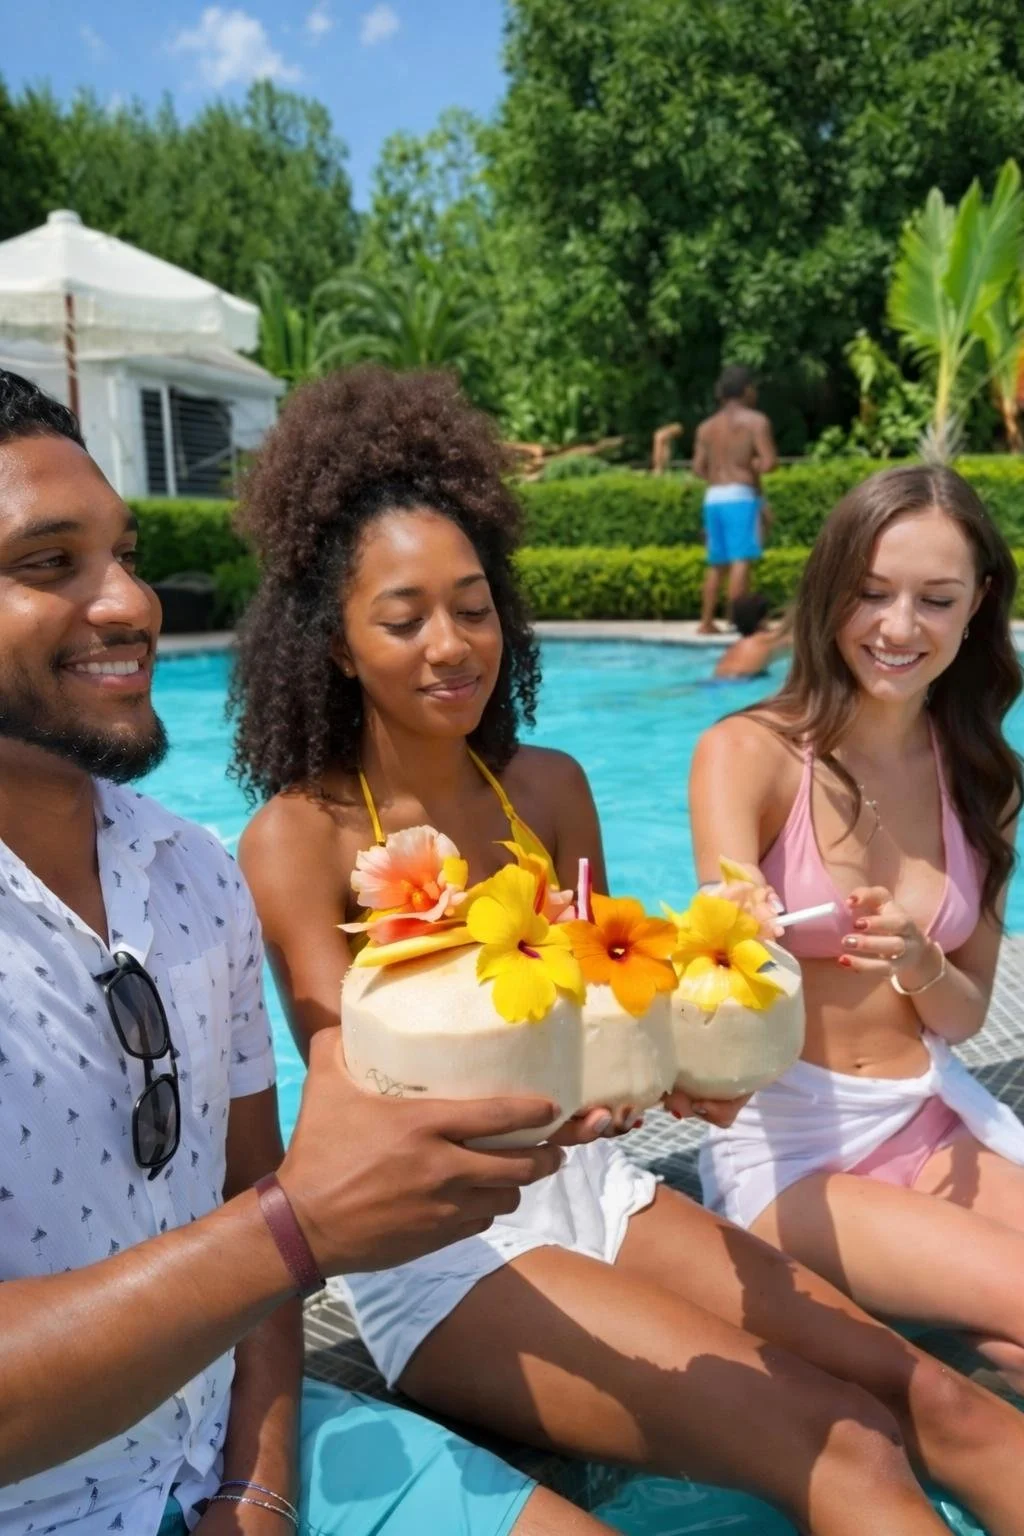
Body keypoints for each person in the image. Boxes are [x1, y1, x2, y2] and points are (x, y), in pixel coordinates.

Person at [235, 364, 1024, 1536]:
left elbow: (618, 1021)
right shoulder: (297, 839)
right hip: (442, 1247)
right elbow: (359, 1103)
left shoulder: (547, 790)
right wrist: (575, 1106)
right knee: (843, 1446)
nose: (452, 645)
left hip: (593, 1190)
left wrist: (687, 1066)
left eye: (475, 606)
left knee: (944, 1408)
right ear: (338, 644)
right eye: (404, 619)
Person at [0, 368, 607, 1536]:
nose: (130, 602)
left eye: (121, 555)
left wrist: (260, 1486)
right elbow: (281, 1221)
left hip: (243, 1444)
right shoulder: (289, 841)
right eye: (48, 565)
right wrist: (298, 1226)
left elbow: (246, 1203)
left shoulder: (188, 875)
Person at [690, 465, 1024, 1404]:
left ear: (978, 605)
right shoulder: (747, 753)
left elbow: (963, 1018)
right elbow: (721, 960)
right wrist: (741, 926)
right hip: (791, 1150)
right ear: (832, 590)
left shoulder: (986, 782)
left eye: (935, 599)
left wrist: (922, 961)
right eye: (872, 593)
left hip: (928, 1116)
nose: (898, 627)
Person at [692, 366, 778, 634]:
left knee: (716, 562)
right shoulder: (756, 422)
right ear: (746, 390)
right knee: (741, 559)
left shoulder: (706, 427)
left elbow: (698, 468)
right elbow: (769, 463)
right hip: (740, 495)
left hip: (713, 497)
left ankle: (706, 622)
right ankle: (737, 622)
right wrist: (751, 464)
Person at [713, 595, 792, 680]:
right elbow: (796, 639)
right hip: (743, 681)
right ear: (762, 621)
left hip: (715, 681)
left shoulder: (737, 646)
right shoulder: (766, 640)